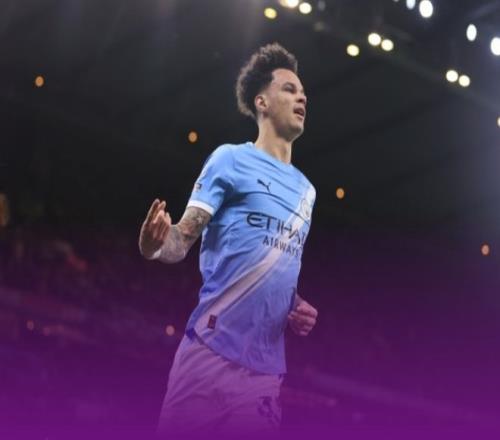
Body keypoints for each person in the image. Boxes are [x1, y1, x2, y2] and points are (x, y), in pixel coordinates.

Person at [139, 43, 318, 438]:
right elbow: (180, 240)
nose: (301, 97)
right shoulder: (231, 160)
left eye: (303, 92)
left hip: (264, 373)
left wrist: (295, 305)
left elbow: (274, 263)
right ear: (262, 103)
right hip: (208, 354)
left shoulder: (307, 192)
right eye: (289, 89)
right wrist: (153, 244)